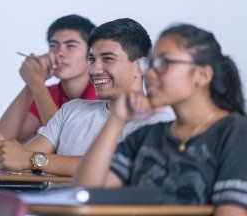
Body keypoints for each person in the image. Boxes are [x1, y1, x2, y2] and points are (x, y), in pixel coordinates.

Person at [73, 24, 247, 215]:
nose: (150, 73)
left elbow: (232, 212)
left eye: (164, 63)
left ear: (202, 75)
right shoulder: (148, 135)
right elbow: (86, 192)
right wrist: (117, 119)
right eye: (150, 64)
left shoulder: (235, 133)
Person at [0, 18, 174, 176]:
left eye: (107, 59)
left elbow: (112, 167)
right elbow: (22, 158)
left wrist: (33, 160)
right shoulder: (72, 109)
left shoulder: (157, 123)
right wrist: (3, 154)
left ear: (141, 67)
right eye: (92, 59)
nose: (95, 69)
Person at [0, 14, 97, 142]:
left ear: (92, 53)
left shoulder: (102, 93)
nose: (59, 52)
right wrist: (31, 84)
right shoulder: (48, 93)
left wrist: (36, 84)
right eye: (53, 45)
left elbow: (67, 143)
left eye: (70, 45)